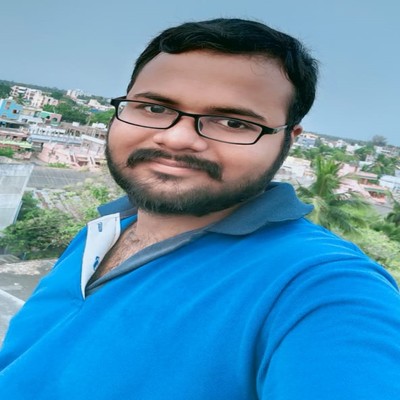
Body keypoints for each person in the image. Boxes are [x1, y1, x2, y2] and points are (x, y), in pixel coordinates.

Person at [0, 18, 399, 399]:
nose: (177, 139)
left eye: (233, 123)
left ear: (288, 140)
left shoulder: (322, 286)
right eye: (154, 108)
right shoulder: (103, 231)